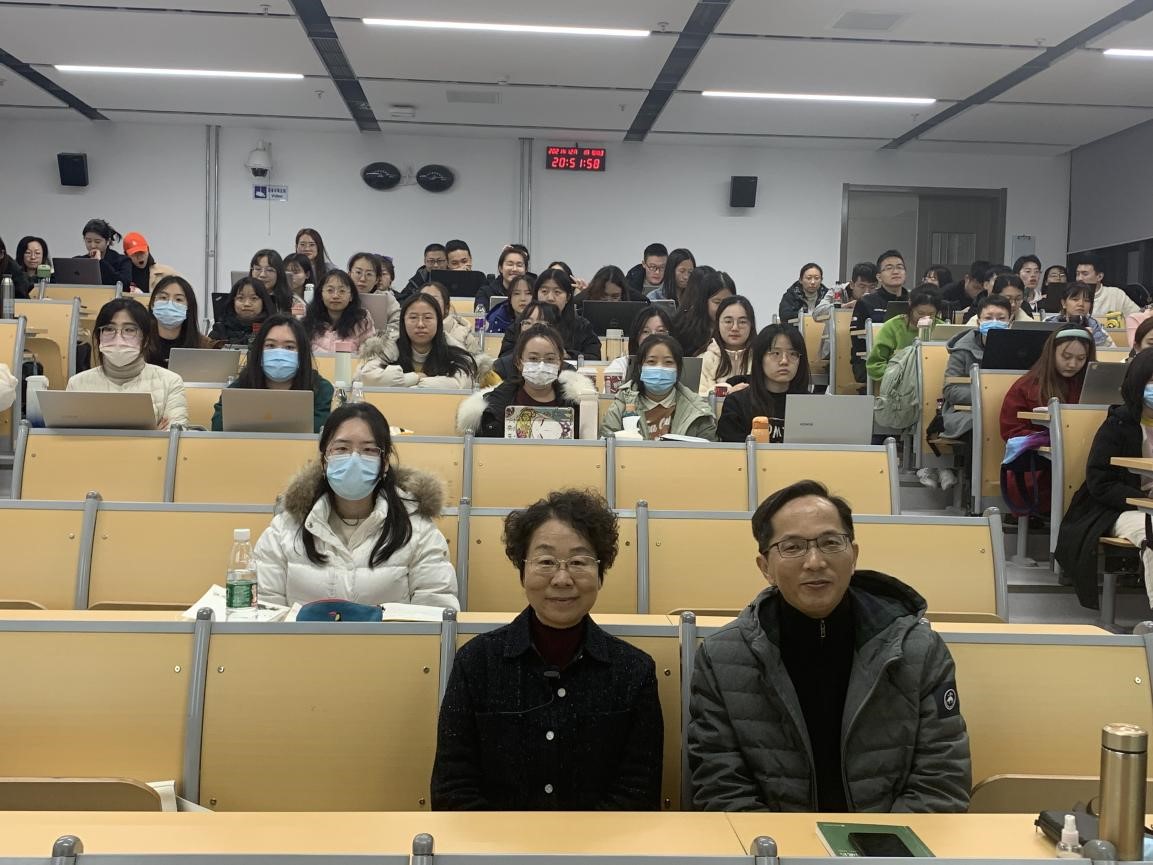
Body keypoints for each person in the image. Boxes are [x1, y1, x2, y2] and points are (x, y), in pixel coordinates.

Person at [687, 479, 971, 812]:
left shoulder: (918, 650)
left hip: (891, 841)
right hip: (769, 841)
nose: (815, 561)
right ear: (765, 568)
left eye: (830, 543)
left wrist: (880, 843)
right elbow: (721, 788)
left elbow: (941, 781)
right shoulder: (722, 658)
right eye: (793, 547)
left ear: (853, 555)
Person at [431, 489, 663, 810]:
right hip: (492, 841)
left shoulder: (634, 671)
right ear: (522, 571)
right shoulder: (476, 662)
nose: (562, 578)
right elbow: (453, 788)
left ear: (600, 574)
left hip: (604, 841)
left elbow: (638, 793)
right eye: (546, 562)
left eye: (579, 562)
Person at [254, 402, 459, 609]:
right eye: (342, 448)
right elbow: (262, 612)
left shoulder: (418, 530)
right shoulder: (284, 530)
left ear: (384, 463)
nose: (354, 459)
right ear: (324, 460)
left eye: (368, 450)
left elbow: (436, 612)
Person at [1055, 349, 1153, 611]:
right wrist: (1143, 499)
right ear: (1138, 383)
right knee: (1152, 533)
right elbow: (1100, 481)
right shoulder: (1118, 424)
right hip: (1121, 508)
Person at [66, 297, 187, 429]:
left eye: (129, 330)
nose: (118, 338)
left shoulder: (170, 382)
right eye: (109, 329)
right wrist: (151, 436)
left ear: (145, 339)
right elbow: (70, 439)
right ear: (99, 336)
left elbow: (174, 437)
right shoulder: (77, 384)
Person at [457, 323, 595, 437]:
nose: (541, 365)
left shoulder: (577, 405)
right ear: (519, 362)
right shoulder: (494, 406)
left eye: (550, 359)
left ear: (560, 362)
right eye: (533, 358)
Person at [211, 314, 333, 433]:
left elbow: (322, 429)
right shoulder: (239, 387)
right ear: (259, 350)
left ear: (302, 352)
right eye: (270, 345)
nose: (279, 353)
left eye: (289, 347)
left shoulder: (321, 389)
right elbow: (218, 426)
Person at [600, 334, 717, 441]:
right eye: (651, 361)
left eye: (668, 362)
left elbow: (709, 452)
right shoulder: (622, 404)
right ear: (640, 368)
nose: (659, 367)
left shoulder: (697, 409)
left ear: (678, 369)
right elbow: (607, 444)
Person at [360, 293, 477, 389]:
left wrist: (418, 384)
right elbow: (366, 377)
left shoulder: (454, 349)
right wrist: (414, 377)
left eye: (428, 318)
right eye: (413, 317)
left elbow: (462, 384)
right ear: (403, 321)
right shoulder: (388, 347)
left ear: (439, 322)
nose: (420, 324)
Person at [717, 324, 810, 443]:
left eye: (793, 354)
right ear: (760, 358)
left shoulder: (812, 405)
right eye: (776, 353)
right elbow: (732, 451)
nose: (784, 361)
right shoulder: (737, 403)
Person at [1000, 326, 1095, 441]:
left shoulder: (1092, 385)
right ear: (1051, 353)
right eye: (1066, 357)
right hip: (1041, 451)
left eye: (1081, 358)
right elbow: (1011, 431)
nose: (1072, 364)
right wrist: (1050, 439)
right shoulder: (1026, 386)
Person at [940, 295, 1014, 439]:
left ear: (1010, 321)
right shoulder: (962, 349)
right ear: (979, 321)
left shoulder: (1020, 349)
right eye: (988, 318)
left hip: (1008, 409)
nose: (994, 322)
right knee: (982, 426)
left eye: (1001, 318)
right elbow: (950, 390)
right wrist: (988, 395)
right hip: (967, 412)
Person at [851, 249, 909, 381]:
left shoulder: (914, 302)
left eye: (900, 267)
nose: (895, 271)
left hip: (907, 360)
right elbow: (857, 342)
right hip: (871, 362)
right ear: (879, 277)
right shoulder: (866, 302)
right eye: (889, 268)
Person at [865, 286, 944, 382]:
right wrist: (898, 376)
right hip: (898, 382)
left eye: (931, 314)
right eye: (920, 313)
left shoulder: (941, 328)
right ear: (910, 304)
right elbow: (875, 365)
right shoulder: (892, 327)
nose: (925, 318)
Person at [147, 275, 215, 367]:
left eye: (178, 299)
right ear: (152, 304)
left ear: (188, 308)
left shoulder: (203, 345)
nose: (170, 304)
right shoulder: (139, 341)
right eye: (163, 297)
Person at [534, 269, 601, 360]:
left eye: (557, 292)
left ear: (568, 298)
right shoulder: (525, 322)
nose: (550, 298)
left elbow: (594, 357)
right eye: (544, 291)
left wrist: (568, 355)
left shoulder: (581, 326)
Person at [304, 269, 375, 353]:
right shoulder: (310, 320)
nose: (335, 296)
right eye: (330, 290)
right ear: (321, 295)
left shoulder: (362, 322)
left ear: (351, 296)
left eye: (342, 291)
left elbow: (368, 354)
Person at [672, 267, 735, 358]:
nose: (723, 308)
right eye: (717, 302)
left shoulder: (738, 329)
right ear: (704, 302)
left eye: (728, 302)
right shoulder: (684, 330)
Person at [700, 296, 756, 396]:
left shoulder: (761, 358)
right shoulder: (705, 360)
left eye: (742, 322)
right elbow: (696, 398)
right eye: (728, 321)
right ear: (718, 324)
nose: (735, 328)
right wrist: (727, 392)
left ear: (751, 325)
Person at [493, 301, 563, 380]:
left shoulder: (567, 372)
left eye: (540, 323)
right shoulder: (502, 367)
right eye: (528, 323)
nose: (532, 328)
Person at [1043, 282, 1114, 348]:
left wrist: (1090, 340)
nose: (1081, 304)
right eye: (1075, 299)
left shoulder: (1096, 327)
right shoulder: (1049, 323)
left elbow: (1110, 352)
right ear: (1064, 303)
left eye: (1086, 300)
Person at [348, 252, 400, 342]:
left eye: (369, 274)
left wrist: (380, 337)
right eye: (358, 272)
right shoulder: (340, 297)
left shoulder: (386, 298)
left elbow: (398, 323)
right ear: (349, 274)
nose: (363, 279)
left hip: (378, 345)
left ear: (376, 279)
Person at [421, 280, 483, 356]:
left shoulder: (465, 336)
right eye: (423, 300)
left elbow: (478, 361)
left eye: (434, 300)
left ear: (446, 307)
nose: (427, 305)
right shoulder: (410, 331)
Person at [208, 277, 273, 346]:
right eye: (240, 298)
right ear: (233, 302)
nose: (247, 304)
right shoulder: (220, 330)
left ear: (264, 302)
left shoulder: (273, 329)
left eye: (254, 298)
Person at [1074, 252, 1140, 318]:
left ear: (1099, 276)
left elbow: (1138, 317)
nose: (1079, 278)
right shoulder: (1071, 296)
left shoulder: (1116, 295)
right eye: (1077, 274)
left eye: (1085, 274)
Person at [78, 219, 132, 287]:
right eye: (88, 241)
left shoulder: (123, 261)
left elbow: (125, 284)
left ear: (108, 241)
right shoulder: (79, 262)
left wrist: (100, 262)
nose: (92, 246)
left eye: (97, 242)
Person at [476, 244, 529, 312]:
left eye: (519, 265)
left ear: (526, 270)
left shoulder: (533, 293)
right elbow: (481, 316)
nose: (514, 269)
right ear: (500, 268)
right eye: (510, 264)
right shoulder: (485, 293)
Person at [964, 275, 1033, 324]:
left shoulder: (1028, 323)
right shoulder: (977, 322)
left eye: (1018, 299)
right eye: (1008, 299)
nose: (1013, 304)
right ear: (994, 296)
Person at [249, 248, 294, 313]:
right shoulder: (243, 299)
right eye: (258, 269)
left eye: (269, 270)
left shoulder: (292, 301)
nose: (262, 275)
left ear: (279, 273)